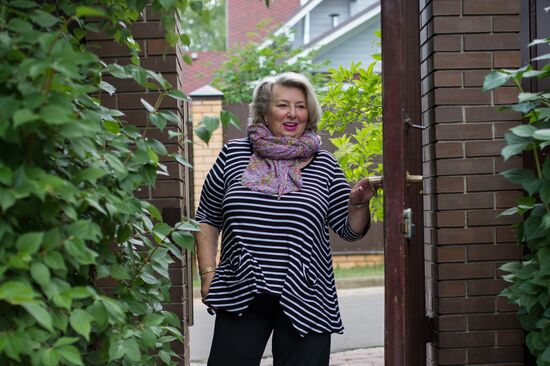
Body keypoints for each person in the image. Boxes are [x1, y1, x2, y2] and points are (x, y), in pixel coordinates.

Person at [194, 72, 375, 366]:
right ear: (265, 111)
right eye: (283, 105)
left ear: (309, 112)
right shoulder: (233, 155)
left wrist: (356, 205)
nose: (292, 114)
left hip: (307, 291)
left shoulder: (325, 164)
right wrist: (208, 274)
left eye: (300, 106)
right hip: (242, 287)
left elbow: (348, 229)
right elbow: (207, 218)